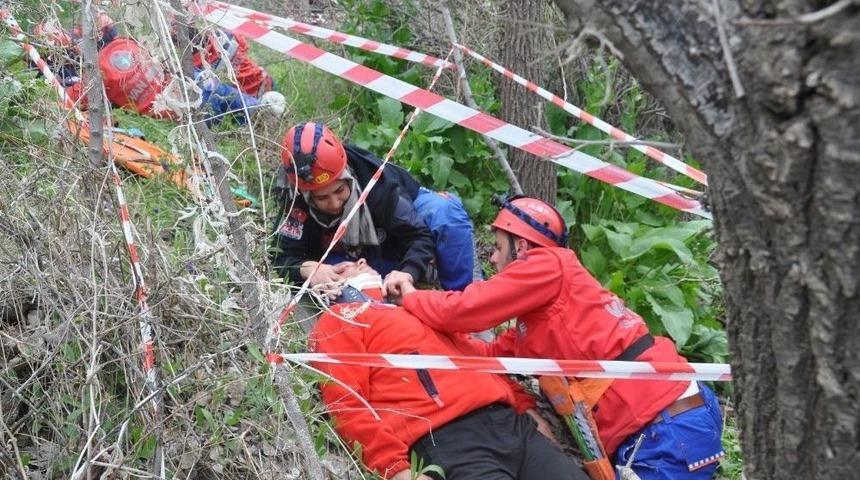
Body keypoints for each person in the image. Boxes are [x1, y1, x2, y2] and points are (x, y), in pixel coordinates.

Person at [396, 195, 725, 479]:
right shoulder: (544, 317)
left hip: (664, 423)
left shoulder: (547, 263)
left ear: (521, 246)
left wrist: (410, 296)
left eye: (497, 248)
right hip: (665, 419)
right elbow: (490, 353)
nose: (492, 258)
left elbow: (466, 310)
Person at [308, 261, 588, 480]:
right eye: (344, 266)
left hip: (511, 425)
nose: (361, 261)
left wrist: (529, 415)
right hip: (447, 439)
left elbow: (482, 362)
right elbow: (346, 402)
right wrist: (396, 468)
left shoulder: (422, 308)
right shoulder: (340, 320)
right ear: (329, 285)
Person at [271, 121, 477, 295]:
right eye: (322, 198)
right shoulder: (295, 199)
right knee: (339, 277)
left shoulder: (377, 184)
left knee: (446, 213)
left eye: (340, 190)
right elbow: (280, 255)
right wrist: (309, 270)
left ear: (348, 176)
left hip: (394, 232)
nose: (334, 204)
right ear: (306, 195)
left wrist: (408, 272)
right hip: (348, 255)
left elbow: (417, 235)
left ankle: (460, 295)